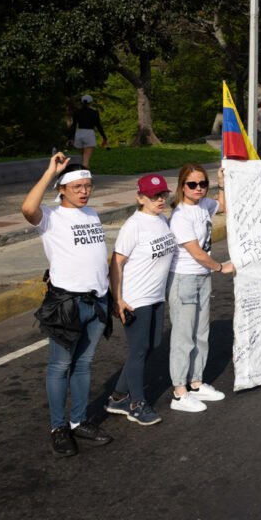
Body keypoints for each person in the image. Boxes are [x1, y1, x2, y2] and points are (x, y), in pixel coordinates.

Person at [21, 153, 114, 457]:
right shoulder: (51, 217)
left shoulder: (92, 214)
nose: (85, 191)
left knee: (84, 364)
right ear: (62, 189)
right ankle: (58, 427)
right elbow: (27, 208)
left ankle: (78, 421)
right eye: (78, 187)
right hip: (67, 305)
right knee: (60, 366)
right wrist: (50, 172)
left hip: (97, 302)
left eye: (88, 186)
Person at [106, 175, 178, 427]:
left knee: (153, 344)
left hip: (156, 296)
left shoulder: (161, 219)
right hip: (136, 299)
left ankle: (117, 396)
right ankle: (136, 403)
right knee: (138, 350)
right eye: (153, 196)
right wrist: (117, 298)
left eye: (162, 195)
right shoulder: (133, 225)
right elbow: (116, 262)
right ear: (140, 198)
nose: (160, 200)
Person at [166, 164, 235, 413]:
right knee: (183, 337)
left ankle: (195, 383)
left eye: (202, 184)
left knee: (201, 333)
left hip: (201, 278)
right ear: (182, 186)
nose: (198, 189)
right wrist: (220, 267)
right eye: (192, 185)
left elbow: (223, 206)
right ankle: (179, 392)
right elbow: (196, 252)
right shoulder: (180, 215)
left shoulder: (204, 205)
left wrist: (221, 182)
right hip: (183, 279)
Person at [68, 95, 108, 169]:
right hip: (89, 134)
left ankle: (86, 170)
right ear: (90, 102)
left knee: (84, 156)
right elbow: (98, 126)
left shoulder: (77, 112)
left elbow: (73, 125)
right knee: (86, 158)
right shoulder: (94, 113)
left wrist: (70, 138)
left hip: (79, 134)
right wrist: (104, 137)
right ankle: (84, 175)